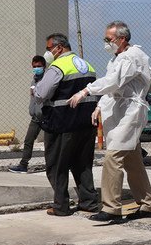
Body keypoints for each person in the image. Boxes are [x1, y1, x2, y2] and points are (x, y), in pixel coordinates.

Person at [69, 21, 151, 223]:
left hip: (131, 112)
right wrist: (100, 105)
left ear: (122, 38)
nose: (106, 43)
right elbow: (113, 88)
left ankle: (111, 208)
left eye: (109, 39)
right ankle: (148, 204)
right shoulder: (116, 59)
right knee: (132, 160)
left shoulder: (132, 56)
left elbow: (113, 82)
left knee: (113, 156)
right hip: (120, 111)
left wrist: (86, 91)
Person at [33, 33, 101, 216]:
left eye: (49, 49)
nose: (47, 52)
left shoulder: (58, 66)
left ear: (59, 47)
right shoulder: (87, 65)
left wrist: (35, 89)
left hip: (62, 123)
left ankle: (61, 206)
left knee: (56, 165)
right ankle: (89, 201)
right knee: (83, 165)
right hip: (86, 123)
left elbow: (42, 93)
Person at [9, 55, 48, 173]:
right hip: (36, 117)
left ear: (44, 66)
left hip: (47, 117)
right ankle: (23, 165)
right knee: (28, 141)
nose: (36, 68)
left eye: (39, 66)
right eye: (34, 66)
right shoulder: (34, 80)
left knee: (50, 143)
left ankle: (54, 165)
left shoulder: (47, 80)